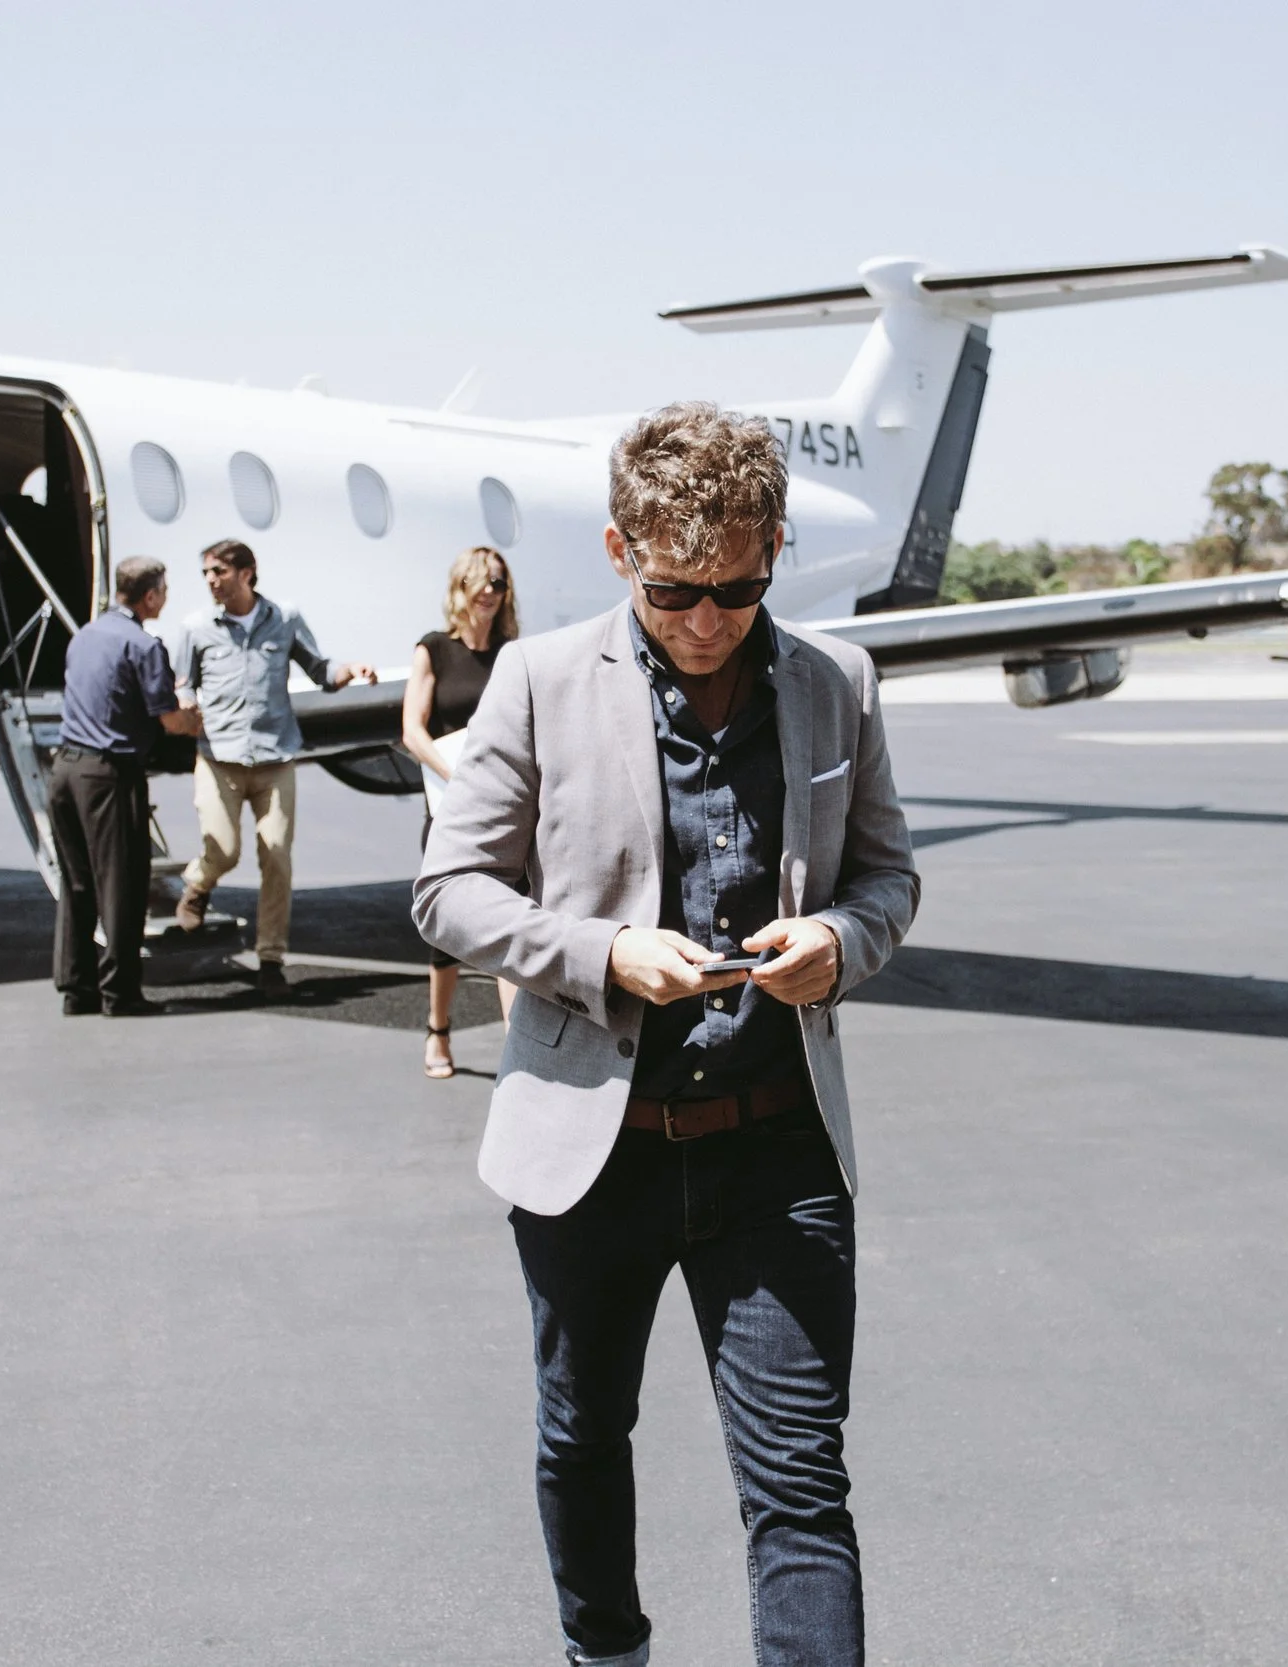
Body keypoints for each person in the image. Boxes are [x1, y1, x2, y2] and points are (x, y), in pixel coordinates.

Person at [414, 402, 919, 1667]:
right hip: (594, 1150)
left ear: (776, 550)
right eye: (678, 588)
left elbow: (886, 878)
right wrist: (601, 955)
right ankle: (608, 1652)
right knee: (581, 1437)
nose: (708, 621)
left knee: (801, 1479)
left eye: (740, 587)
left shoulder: (835, 683)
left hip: (775, 1152)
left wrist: (842, 946)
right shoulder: (534, 681)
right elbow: (447, 889)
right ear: (618, 548)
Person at [170, 537, 378, 994]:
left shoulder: (284, 618)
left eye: (218, 572)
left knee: (277, 857)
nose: (210, 581)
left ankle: (270, 959)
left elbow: (320, 669)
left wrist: (351, 671)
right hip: (218, 756)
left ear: (246, 573)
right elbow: (184, 686)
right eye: (205, 573)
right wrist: (183, 707)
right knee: (224, 849)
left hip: (276, 755)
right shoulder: (195, 627)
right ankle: (198, 885)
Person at [50, 556, 206, 1017]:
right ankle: (120, 992)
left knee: (77, 883)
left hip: (65, 770)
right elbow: (170, 719)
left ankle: (76, 989)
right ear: (151, 595)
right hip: (108, 776)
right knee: (121, 884)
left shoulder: (85, 635)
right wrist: (196, 720)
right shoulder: (143, 645)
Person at [402, 545, 521, 1078]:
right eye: (484, 582)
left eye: (500, 583)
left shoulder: (512, 653)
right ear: (462, 588)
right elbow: (412, 730)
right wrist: (458, 776)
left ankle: (518, 1043)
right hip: (450, 803)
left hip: (506, 804)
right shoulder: (433, 649)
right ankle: (438, 1029)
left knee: (515, 917)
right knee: (448, 926)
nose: (492, 592)